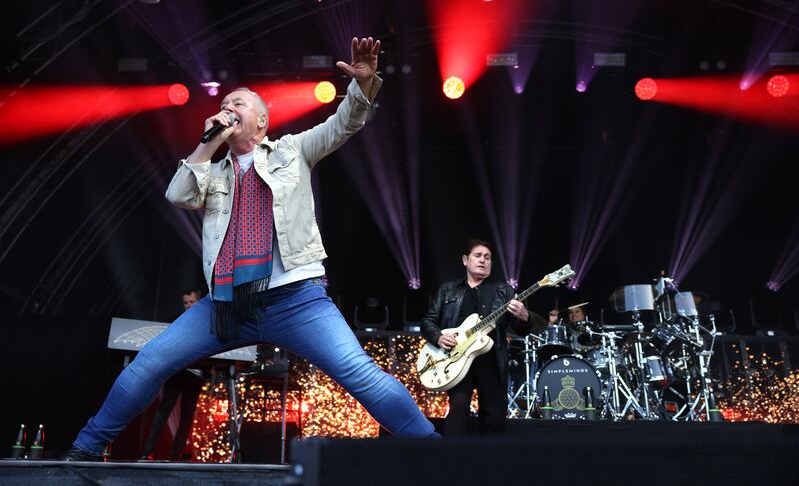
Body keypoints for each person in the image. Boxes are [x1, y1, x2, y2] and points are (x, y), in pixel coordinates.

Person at [62, 37, 437, 461]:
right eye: (224, 102)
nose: (229, 107)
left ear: (262, 121)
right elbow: (179, 194)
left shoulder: (293, 150)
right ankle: (87, 447)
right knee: (149, 362)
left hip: (296, 299)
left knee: (361, 377)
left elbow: (344, 124)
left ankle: (436, 454)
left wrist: (362, 85)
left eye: (238, 103)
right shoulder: (213, 170)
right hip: (224, 304)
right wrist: (209, 140)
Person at [421, 239, 545, 436]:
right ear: (465, 260)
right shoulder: (448, 289)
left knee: (494, 418)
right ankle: (452, 459)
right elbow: (428, 322)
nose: (483, 260)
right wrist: (438, 337)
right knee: (458, 411)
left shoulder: (503, 291)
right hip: (456, 361)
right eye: (478, 256)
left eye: (487, 257)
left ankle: (490, 462)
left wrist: (524, 317)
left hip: (492, 361)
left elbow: (519, 329)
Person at [139, 289, 205, 461]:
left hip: (195, 375)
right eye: (186, 303)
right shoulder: (174, 320)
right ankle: (147, 452)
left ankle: (175, 457)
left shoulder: (207, 321)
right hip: (176, 372)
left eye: (192, 302)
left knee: (187, 416)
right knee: (163, 411)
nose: (189, 306)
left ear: (199, 302)